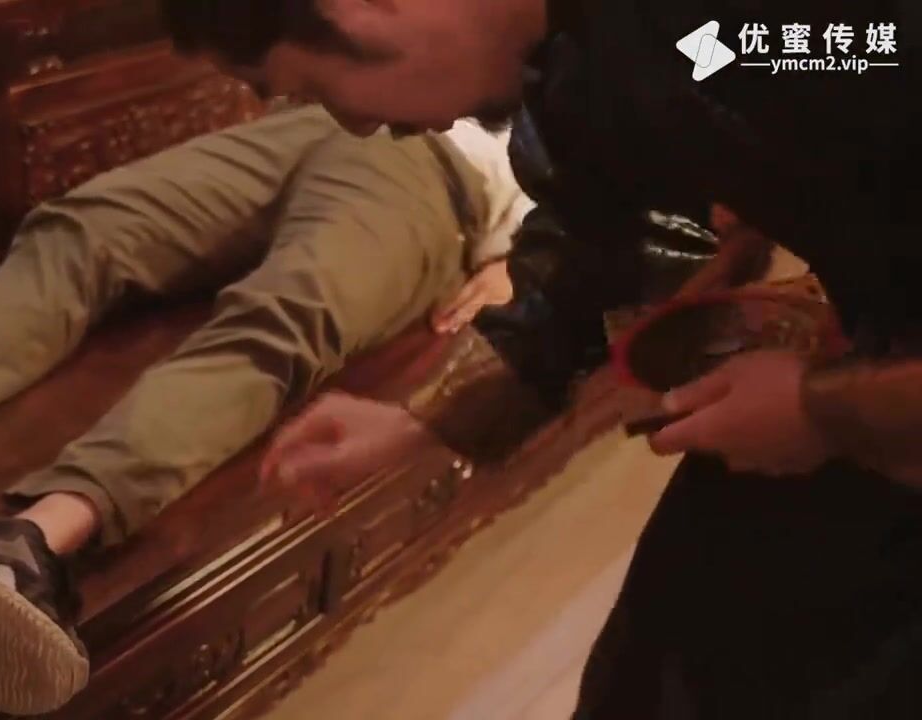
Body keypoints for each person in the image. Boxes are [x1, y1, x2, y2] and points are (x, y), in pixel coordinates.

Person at [158, 0, 922, 717]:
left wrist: (827, 409)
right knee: (667, 652)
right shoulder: (585, 51)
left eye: (320, 89)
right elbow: (603, 246)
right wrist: (428, 418)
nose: (358, 126)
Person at [0, 104, 535, 715]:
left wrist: (527, 258)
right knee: (89, 229)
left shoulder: (604, 67)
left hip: (447, 183)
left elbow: (607, 221)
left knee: (284, 318)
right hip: (327, 117)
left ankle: (23, 547)